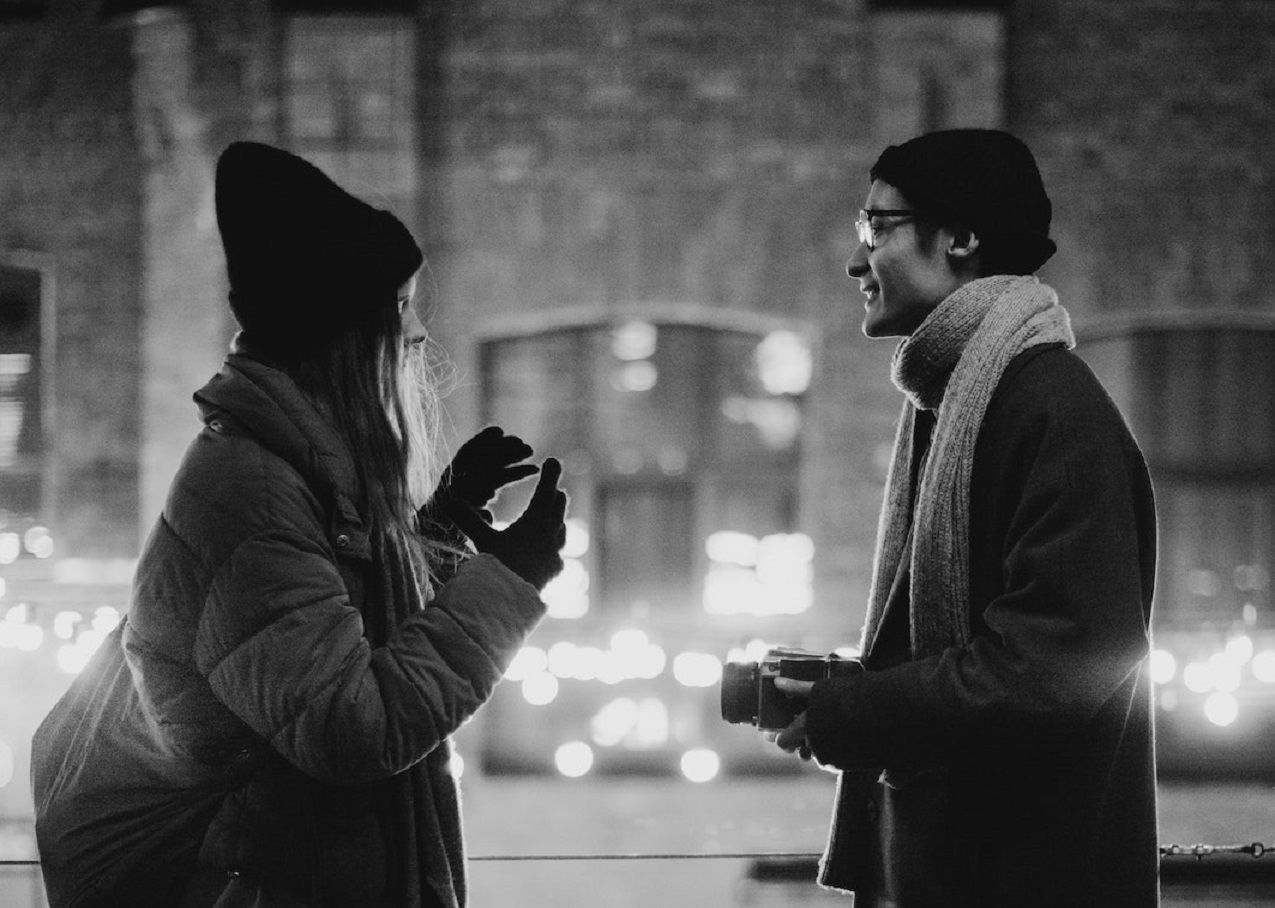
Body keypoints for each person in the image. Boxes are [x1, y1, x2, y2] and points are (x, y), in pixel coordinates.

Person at [31, 141, 567, 908]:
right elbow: (349, 726)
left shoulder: (293, 474)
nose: (417, 335)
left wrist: (442, 531)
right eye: (400, 307)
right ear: (342, 335)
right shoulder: (250, 496)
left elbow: (329, 633)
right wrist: (506, 587)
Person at [770, 129, 1158, 907]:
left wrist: (856, 712)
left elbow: (1048, 673)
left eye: (876, 227)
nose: (855, 261)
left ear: (959, 237)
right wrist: (838, 694)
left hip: (1024, 879)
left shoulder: (1047, 412)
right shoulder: (961, 399)